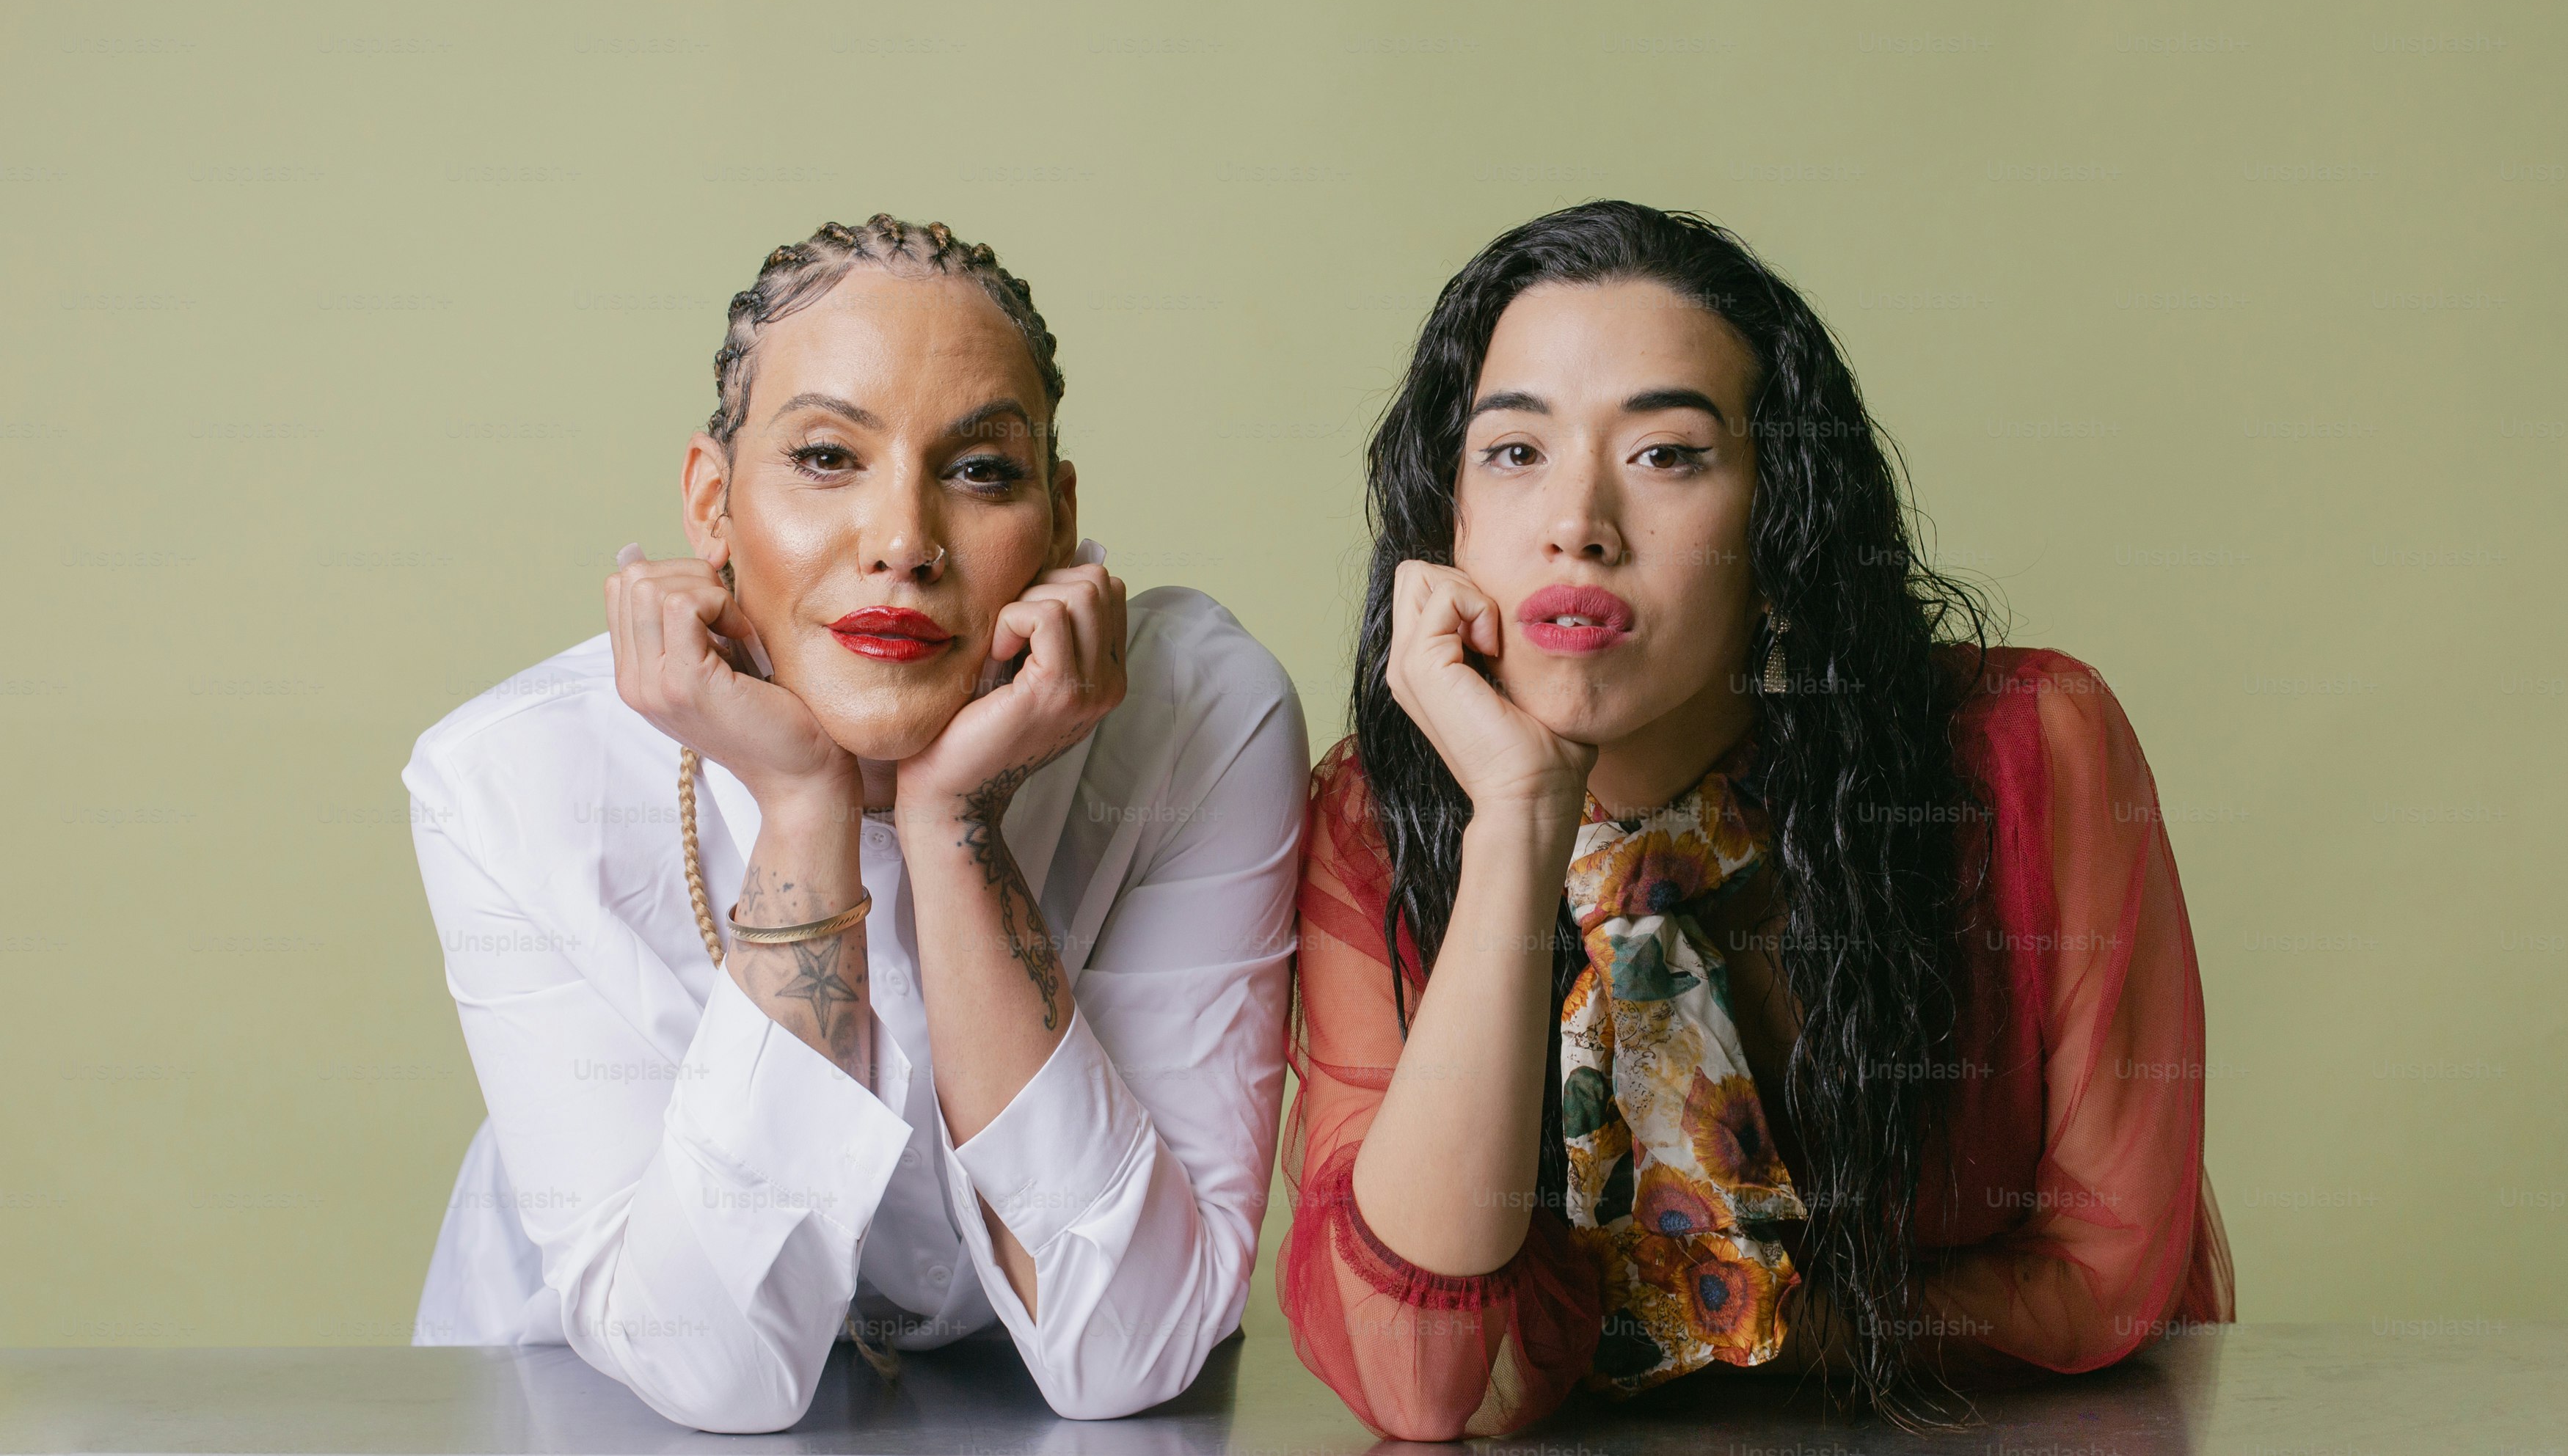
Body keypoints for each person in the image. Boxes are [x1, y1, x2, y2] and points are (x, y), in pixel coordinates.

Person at [1277, 200, 2233, 1440]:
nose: (1580, 520)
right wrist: (1519, 819)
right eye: (1515, 452)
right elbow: (1416, 1377)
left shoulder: (2032, 753)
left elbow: (2103, 1276)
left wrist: (1728, 1325)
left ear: (1780, 524)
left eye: (1667, 453)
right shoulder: (1372, 818)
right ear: (1445, 526)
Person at [404, 216, 1307, 1433]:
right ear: (712, 505)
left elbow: (1131, 1347)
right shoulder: (514, 779)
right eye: (829, 457)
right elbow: (714, 1374)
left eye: (982, 471)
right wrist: (802, 805)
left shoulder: (1196, 725)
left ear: (1059, 515)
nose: (903, 543)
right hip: (583, 1412)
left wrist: (952, 824)